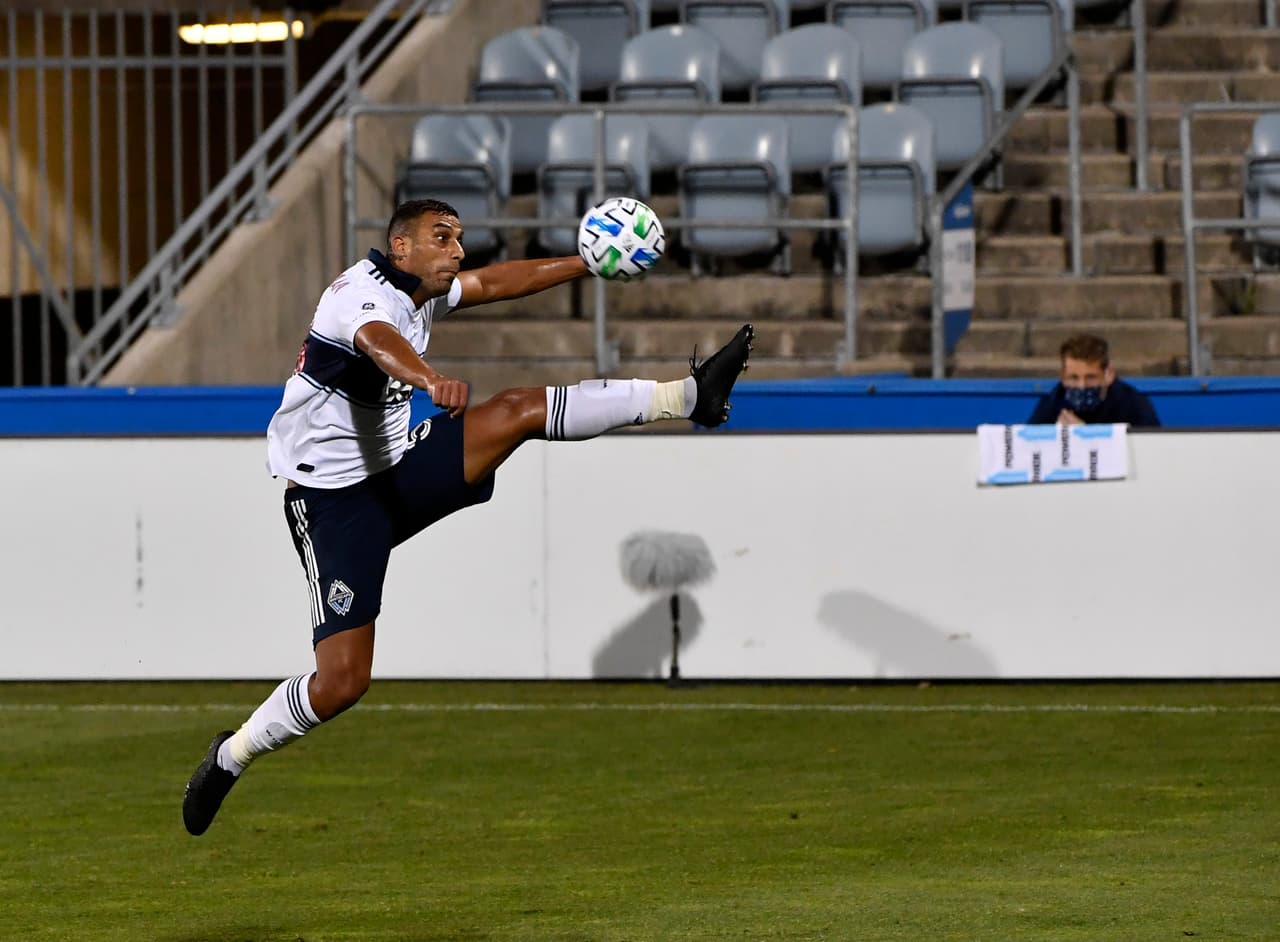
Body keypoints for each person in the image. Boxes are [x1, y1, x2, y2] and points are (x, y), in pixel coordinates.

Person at [182, 198, 754, 836]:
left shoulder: (424, 291)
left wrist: (586, 263)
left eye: (459, 237)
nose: (456, 250)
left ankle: (687, 396)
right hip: (332, 503)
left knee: (514, 410)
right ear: (400, 248)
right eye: (441, 236)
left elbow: (497, 282)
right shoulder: (356, 295)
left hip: (397, 469)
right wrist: (429, 379)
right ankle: (231, 755)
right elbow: (379, 343)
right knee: (342, 682)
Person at [1027, 333, 1160, 427]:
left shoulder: (1134, 405)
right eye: (1073, 378)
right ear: (1062, 377)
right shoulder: (1052, 403)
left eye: (1090, 377)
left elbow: (1148, 454)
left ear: (1109, 375)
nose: (1081, 386)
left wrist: (1086, 437)